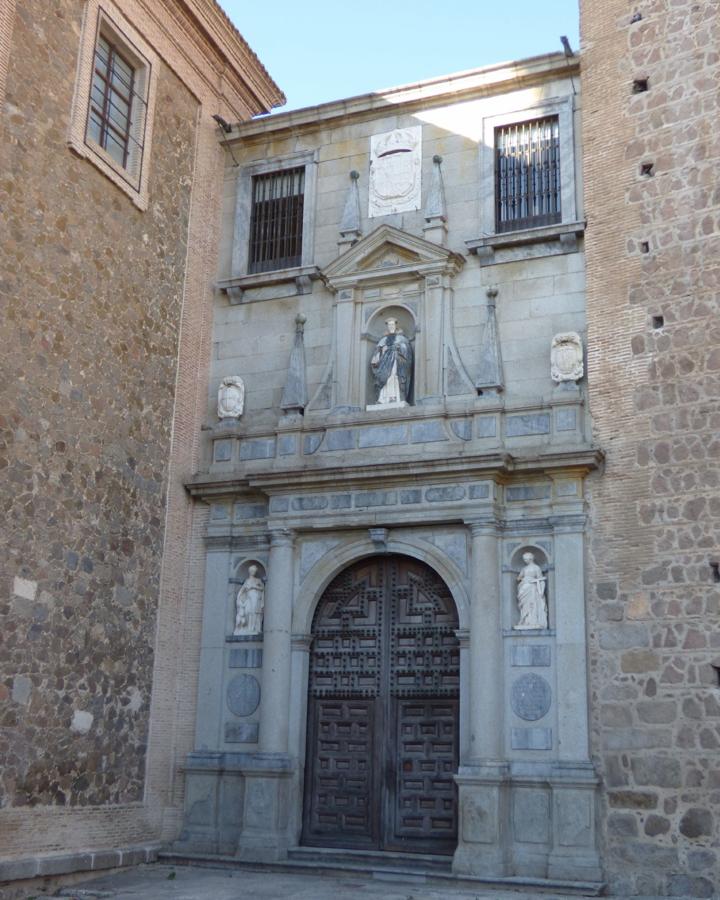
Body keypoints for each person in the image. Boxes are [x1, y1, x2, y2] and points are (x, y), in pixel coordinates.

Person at [370, 317, 413, 405]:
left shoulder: (401, 338)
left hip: (396, 361)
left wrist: (399, 348)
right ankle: (382, 398)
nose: (391, 326)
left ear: (395, 325)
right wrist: (382, 351)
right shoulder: (383, 340)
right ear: (387, 326)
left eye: (393, 324)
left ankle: (395, 397)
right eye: (389, 325)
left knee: (394, 376)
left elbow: (406, 349)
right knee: (385, 377)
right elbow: (377, 351)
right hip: (384, 362)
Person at [514, 552, 547, 630]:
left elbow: (540, 578)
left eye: (526, 559)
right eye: (524, 559)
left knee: (532, 603)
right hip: (524, 587)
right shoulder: (524, 568)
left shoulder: (536, 568)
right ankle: (525, 621)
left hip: (532, 587)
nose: (525, 560)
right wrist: (523, 579)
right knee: (525, 605)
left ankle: (533, 621)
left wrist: (539, 588)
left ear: (531, 558)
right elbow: (519, 578)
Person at [233, 565, 265, 635]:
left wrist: (253, 586)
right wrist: (239, 598)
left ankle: (254, 628)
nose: (252, 572)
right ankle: (247, 628)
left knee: (255, 612)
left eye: (254, 571)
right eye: (251, 571)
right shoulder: (247, 581)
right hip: (248, 599)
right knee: (248, 612)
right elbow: (242, 590)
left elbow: (262, 588)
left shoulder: (258, 580)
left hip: (256, 598)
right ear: (249, 571)